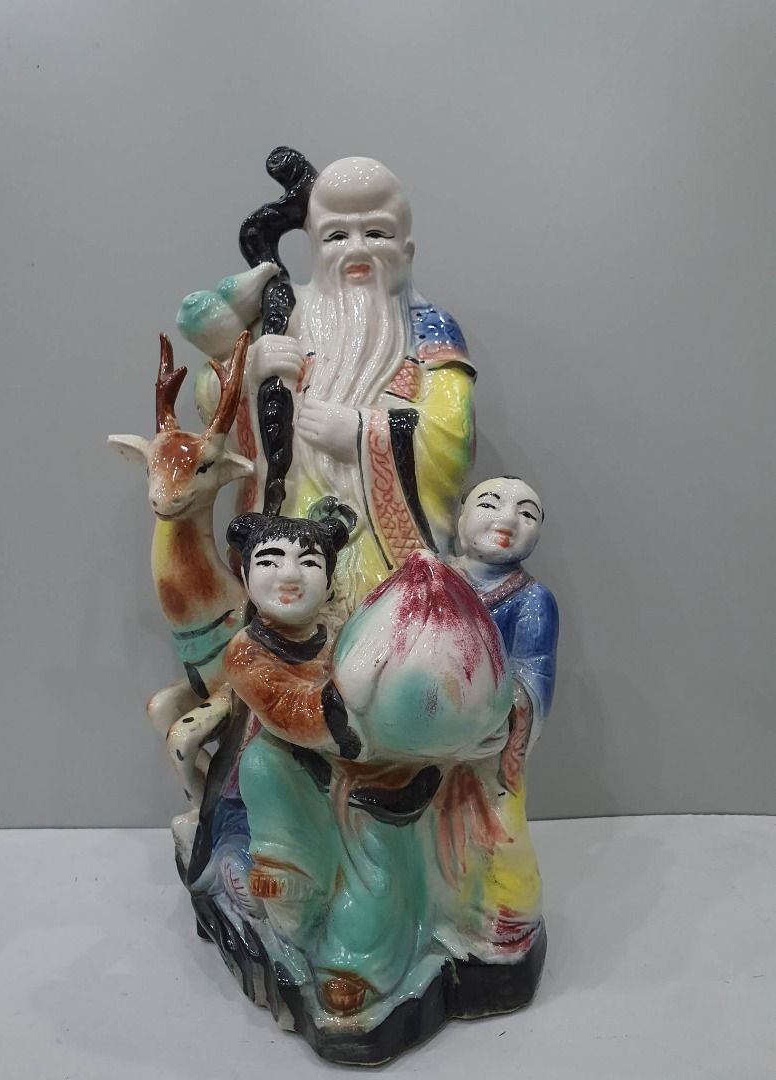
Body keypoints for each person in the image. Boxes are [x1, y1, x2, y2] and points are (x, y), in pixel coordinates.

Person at [192, 157, 476, 610]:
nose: (356, 250)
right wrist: (247, 371)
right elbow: (210, 401)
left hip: (384, 545)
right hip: (288, 529)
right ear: (315, 246)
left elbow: (453, 433)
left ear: (406, 251)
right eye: (337, 236)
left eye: (376, 233)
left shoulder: (429, 329)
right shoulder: (285, 315)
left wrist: (361, 433)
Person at [223, 512, 435, 1017]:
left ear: (330, 578)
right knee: (261, 765)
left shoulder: (342, 631)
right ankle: (292, 894)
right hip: (294, 769)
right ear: (246, 575)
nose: (289, 575)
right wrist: (357, 685)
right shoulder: (245, 653)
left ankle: (355, 960)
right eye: (269, 561)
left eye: (309, 563)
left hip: (363, 768)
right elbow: (292, 712)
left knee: (377, 856)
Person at [446, 476, 559, 959]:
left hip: (490, 748)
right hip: (424, 738)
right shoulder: (432, 577)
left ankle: (504, 925)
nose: (507, 519)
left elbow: (534, 675)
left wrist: (493, 707)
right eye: (489, 504)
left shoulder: (532, 600)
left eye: (527, 513)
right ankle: (434, 915)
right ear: (460, 518)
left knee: (495, 834)